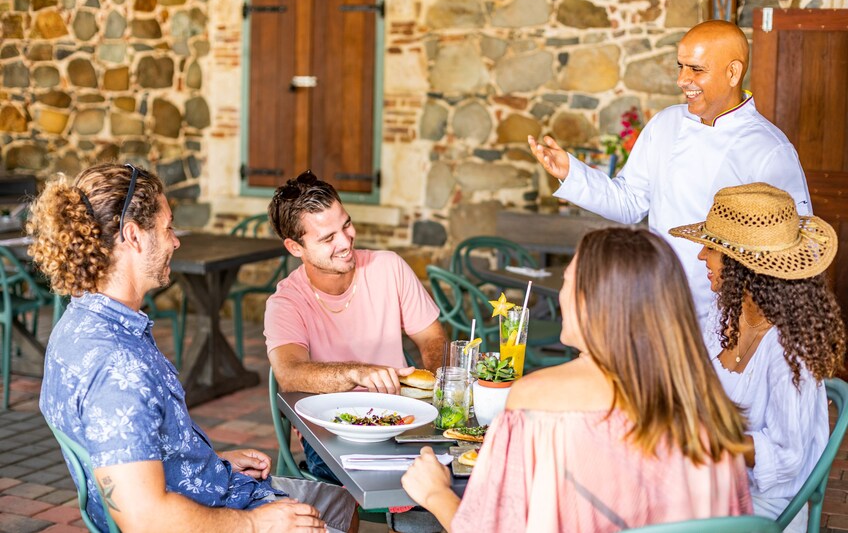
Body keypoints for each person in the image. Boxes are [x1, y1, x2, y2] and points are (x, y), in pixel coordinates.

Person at [28, 164, 357, 533]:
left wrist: (205, 463)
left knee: (342, 505)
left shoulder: (80, 322)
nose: (175, 242)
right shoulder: (118, 367)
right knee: (335, 513)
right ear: (134, 236)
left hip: (200, 490)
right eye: (168, 228)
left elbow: (130, 454)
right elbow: (142, 517)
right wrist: (254, 523)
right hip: (198, 517)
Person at [401, 228, 753, 532]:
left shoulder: (536, 402)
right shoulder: (708, 410)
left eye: (567, 281)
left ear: (590, 301)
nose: (561, 294)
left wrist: (435, 493)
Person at [528, 19, 811, 327]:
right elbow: (629, 202)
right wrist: (571, 172)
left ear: (733, 72)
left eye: (696, 69)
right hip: (659, 301)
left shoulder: (770, 149)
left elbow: (793, 249)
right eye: (681, 66)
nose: (682, 80)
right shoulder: (665, 124)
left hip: (729, 319)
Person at [265, 170, 446, 532]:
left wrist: (439, 393)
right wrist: (356, 372)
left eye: (346, 225)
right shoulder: (286, 302)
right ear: (295, 248)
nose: (346, 241)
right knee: (413, 493)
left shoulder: (389, 267)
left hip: (402, 418)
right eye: (328, 237)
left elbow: (433, 340)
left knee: (444, 483)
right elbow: (289, 373)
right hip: (331, 433)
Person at [670, 183, 846, 531]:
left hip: (762, 505)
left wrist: (708, 439)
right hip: (716, 480)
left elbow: (787, 456)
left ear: (743, 264)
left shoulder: (790, 351)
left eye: (712, 247)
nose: (702, 256)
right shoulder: (726, 314)